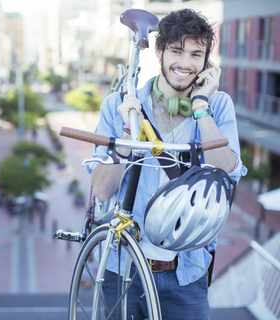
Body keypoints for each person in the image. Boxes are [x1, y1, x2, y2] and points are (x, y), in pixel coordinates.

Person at [85, 8, 247, 319]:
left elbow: (226, 170)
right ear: (159, 51)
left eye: (196, 54)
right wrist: (128, 130)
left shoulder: (219, 104)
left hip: (186, 274)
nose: (185, 63)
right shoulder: (119, 105)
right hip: (122, 270)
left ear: (206, 63)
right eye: (176, 50)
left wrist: (201, 105)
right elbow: (103, 190)